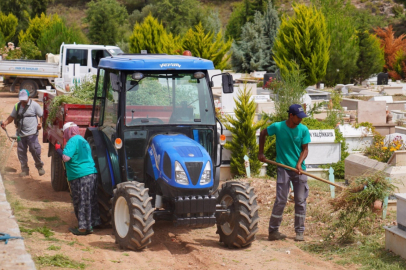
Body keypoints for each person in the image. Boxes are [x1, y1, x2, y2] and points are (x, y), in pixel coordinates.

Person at [258, 104, 311, 242]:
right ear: (291, 116)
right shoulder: (278, 127)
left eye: (302, 117)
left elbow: (305, 150)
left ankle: (299, 232)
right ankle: (273, 231)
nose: (301, 120)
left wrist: (299, 164)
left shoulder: (303, 130)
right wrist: (261, 152)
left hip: (299, 170)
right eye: (298, 117)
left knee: (300, 201)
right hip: (283, 168)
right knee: (281, 200)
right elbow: (263, 133)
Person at [55, 122, 101, 235]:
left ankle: (83, 228)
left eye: (65, 132)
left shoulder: (72, 141)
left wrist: (58, 150)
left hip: (80, 175)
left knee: (81, 201)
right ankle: (93, 223)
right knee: (90, 200)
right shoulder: (83, 140)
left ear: (68, 131)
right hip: (91, 173)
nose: (64, 134)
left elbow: (66, 157)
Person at [1, 89, 45, 177]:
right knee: (21, 152)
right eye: (21, 99)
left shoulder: (35, 105)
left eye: (24, 99)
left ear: (29, 97)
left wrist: (40, 124)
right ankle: (24, 170)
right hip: (20, 133)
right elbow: (12, 116)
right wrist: (5, 123)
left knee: (35, 150)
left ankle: (39, 166)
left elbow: (42, 116)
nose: (23, 101)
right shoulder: (17, 106)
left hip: (32, 133)